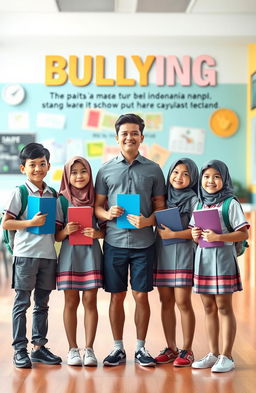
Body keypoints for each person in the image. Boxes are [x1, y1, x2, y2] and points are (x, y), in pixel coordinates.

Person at [95, 113, 165, 367]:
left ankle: (140, 348)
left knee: (141, 296)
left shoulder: (154, 169)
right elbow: (97, 207)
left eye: (134, 133)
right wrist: (107, 213)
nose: (129, 137)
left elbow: (161, 207)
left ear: (142, 137)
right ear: (117, 138)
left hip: (144, 243)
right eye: (124, 133)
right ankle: (117, 349)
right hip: (113, 242)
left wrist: (148, 221)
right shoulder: (105, 170)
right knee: (116, 296)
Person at [2, 143, 62, 368]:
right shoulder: (20, 192)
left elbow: (56, 233)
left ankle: (38, 347)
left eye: (42, 164)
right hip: (26, 255)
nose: (38, 168)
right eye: (32, 165)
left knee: (42, 304)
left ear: (48, 166)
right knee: (22, 302)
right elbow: (6, 223)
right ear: (23, 168)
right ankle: (20, 349)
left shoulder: (53, 193)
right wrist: (30, 223)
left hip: (47, 256)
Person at [190, 159, 249, 373]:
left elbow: (243, 233)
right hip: (203, 261)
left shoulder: (230, 203)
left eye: (216, 176)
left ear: (224, 179)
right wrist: (195, 235)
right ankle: (213, 353)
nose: (211, 181)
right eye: (206, 177)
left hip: (223, 261)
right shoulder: (198, 203)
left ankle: (227, 356)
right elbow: (195, 234)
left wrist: (220, 236)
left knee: (224, 307)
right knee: (208, 308)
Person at [55, 156, 104, 367]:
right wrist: (65, 231)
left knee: (90, 302)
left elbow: (106, 230)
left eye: (83, 171)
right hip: (69, 256)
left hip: (91, 254)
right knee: (71, 302)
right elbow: (56, 236)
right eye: (73, 172)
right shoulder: (61, 199)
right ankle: (72, 349)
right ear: (67, 175)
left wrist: (97, 233)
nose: (78, 176)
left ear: (89, 173)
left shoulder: (97, 197)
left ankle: (89, 349)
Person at [154, 158, 199, 367]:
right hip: (162, 254)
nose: (179, 177)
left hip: (183, 254)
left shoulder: (193, 199)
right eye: (175, 172)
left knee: (182, 302)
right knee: (166, 301)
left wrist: (174, 233)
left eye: (185, 174)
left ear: (192, 178)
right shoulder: (162, 197)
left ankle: (187, 350)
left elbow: (197, 232)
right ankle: (171, 348)